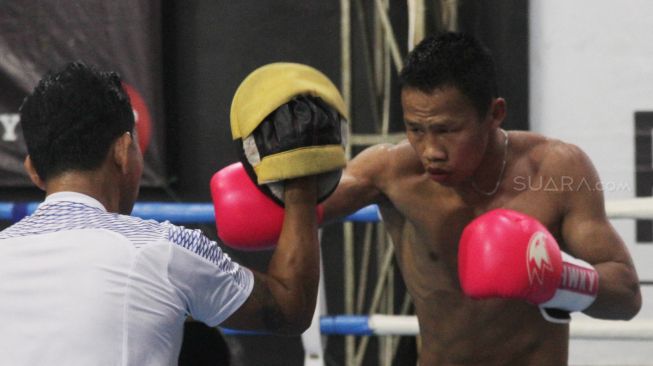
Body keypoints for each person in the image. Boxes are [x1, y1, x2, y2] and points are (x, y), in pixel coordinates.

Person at [320, 32, 642, 365]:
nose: (431, 151)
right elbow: (294, 212)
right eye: (415, 129)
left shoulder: (558, 170)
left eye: (447, 130)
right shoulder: (390, 172)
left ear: (495, 113)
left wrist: (558, 279)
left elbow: (627, 296)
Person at [0, 61, 321, 365]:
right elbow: (290, 305)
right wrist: (300, 185)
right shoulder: (164, 247)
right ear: (123, 152)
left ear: (33, 171)